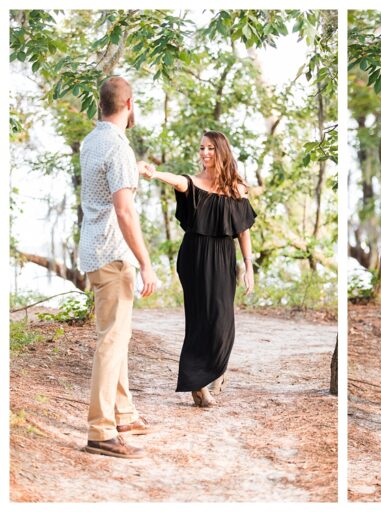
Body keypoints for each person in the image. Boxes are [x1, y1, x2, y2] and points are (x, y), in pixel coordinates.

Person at [140, 131, 256, 407]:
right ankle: (198, 385)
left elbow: (243, 231)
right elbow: (179, 181)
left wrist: (249, 266)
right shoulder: (194, 182)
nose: (204, 153)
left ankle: (217, 367)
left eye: (210, 148)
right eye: (202, 148)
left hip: (223, 256)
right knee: (200, 319)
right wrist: (154, 174)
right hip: (195, 254)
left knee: (223, 319)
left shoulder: (237, 189)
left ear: (222, 151)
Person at [80, 76, 159, 458]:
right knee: (111, 342)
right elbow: (124, 210)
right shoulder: (118, 148)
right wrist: (146, 263)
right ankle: (100, 431)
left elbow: (106, 185)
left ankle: (123, 413)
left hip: (93, 251)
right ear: (129, 104)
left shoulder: (93, 141)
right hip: (113, 254)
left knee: (117, 336)